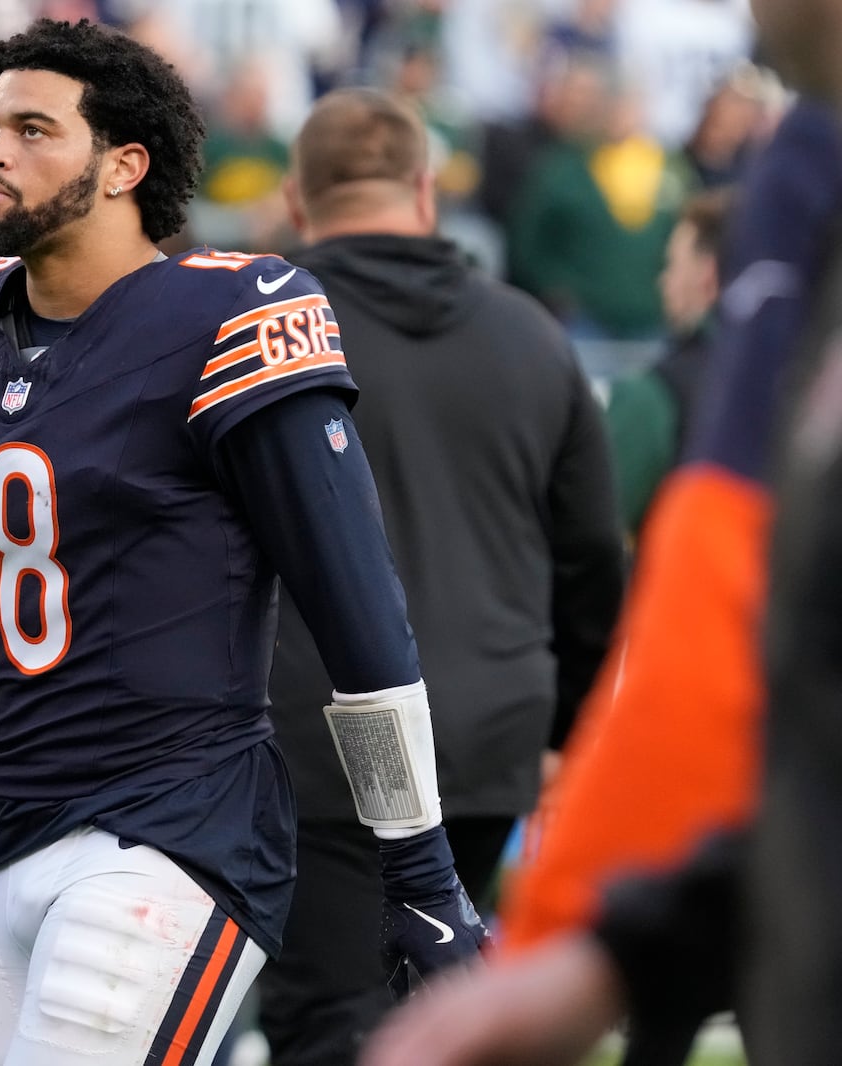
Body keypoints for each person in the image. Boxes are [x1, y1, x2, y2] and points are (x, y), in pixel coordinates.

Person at [0, 18, 486, 1066]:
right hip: (21, 822)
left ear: (124, 165)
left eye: (34, 129)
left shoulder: (227, 314)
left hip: (174, 832)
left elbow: (357, 609)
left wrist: (422, 870)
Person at [357, 76, 842, 1066]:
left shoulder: (666, 395)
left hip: (601, 711)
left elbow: (595, 542)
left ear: (713, 277)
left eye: (676, 259)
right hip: (581, 726)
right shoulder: (799, 174)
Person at [258, 87, 625, 1066]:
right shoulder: (533, 337)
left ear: (297, 201)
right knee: (455, 1020)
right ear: (426, 192)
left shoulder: (256, 331)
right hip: (486, 733)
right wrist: (566, 727)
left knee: (331, 1019)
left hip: (316, 738)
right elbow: (593, 554)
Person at [603, 185, 733, 541]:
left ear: (707, 276)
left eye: (673, 266)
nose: (664, 283)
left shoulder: (656, 394)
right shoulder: (810, 387)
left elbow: (593, 530)